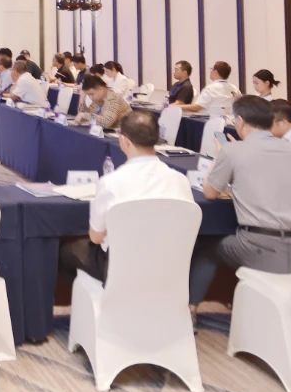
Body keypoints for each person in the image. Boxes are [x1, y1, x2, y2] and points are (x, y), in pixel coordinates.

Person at [189, 96, 291, 305]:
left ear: (240, 121)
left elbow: (209, 193)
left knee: (206, 246)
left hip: (259, 245)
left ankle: (191, 307)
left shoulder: (233, 150)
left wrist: (222, 157)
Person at [59, 111, 195, 284]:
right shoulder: (180, 181)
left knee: (67, 252)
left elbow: (96, 237)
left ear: (124, 141)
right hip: (169, 268)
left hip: (120, 268)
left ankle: (97, 296)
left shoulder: (111, 183)